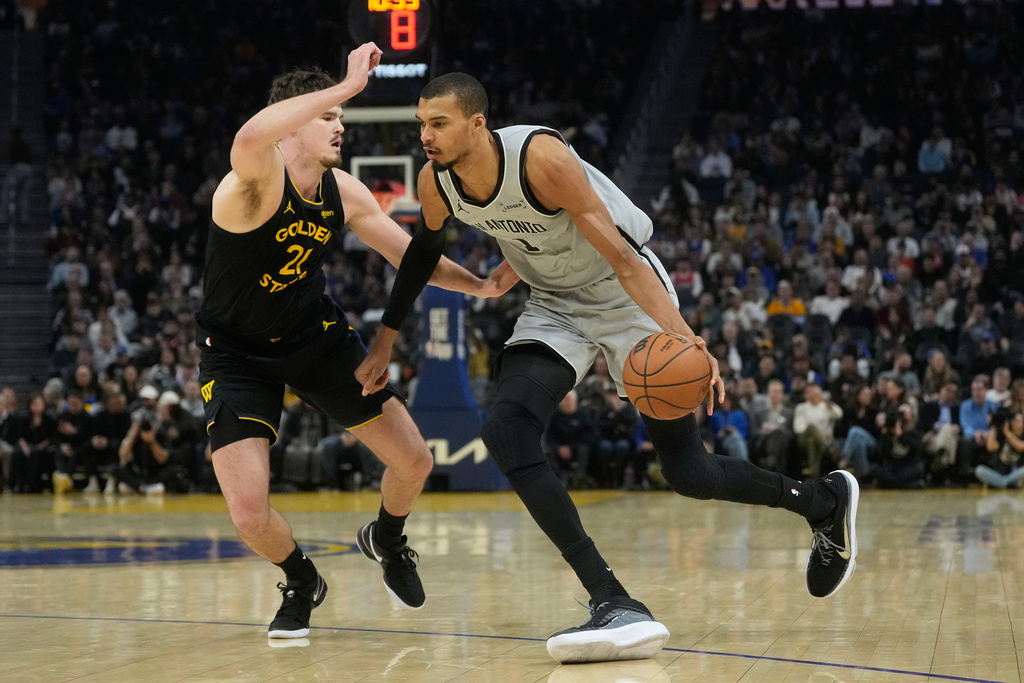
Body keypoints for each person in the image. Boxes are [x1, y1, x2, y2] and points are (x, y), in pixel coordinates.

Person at [357, 72, 860, 664]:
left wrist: (685, 336)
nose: (426, 135)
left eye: (438, 122)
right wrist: (386, 339)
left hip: (623, 290)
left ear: (476, 123)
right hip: (554, 303)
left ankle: (822, 503)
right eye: (421, 123)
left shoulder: (540, 158)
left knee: (689, 472)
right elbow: (424, 251)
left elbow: (621, 256)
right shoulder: (437, 181)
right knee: (507, 428)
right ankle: (611, 598)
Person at [193, 47, 517, 640]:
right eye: (329, 117)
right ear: (292, 122)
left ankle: (387, 539)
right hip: (236, 352)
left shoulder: (345, 190)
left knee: (416, 461)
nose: (340, 124)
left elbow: (409, 257)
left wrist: (481, 287)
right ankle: (301, 579)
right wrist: (345, 84)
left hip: (313, 338)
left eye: (341, 115)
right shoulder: (251, 179)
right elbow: (248, 134)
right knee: (246, 511)